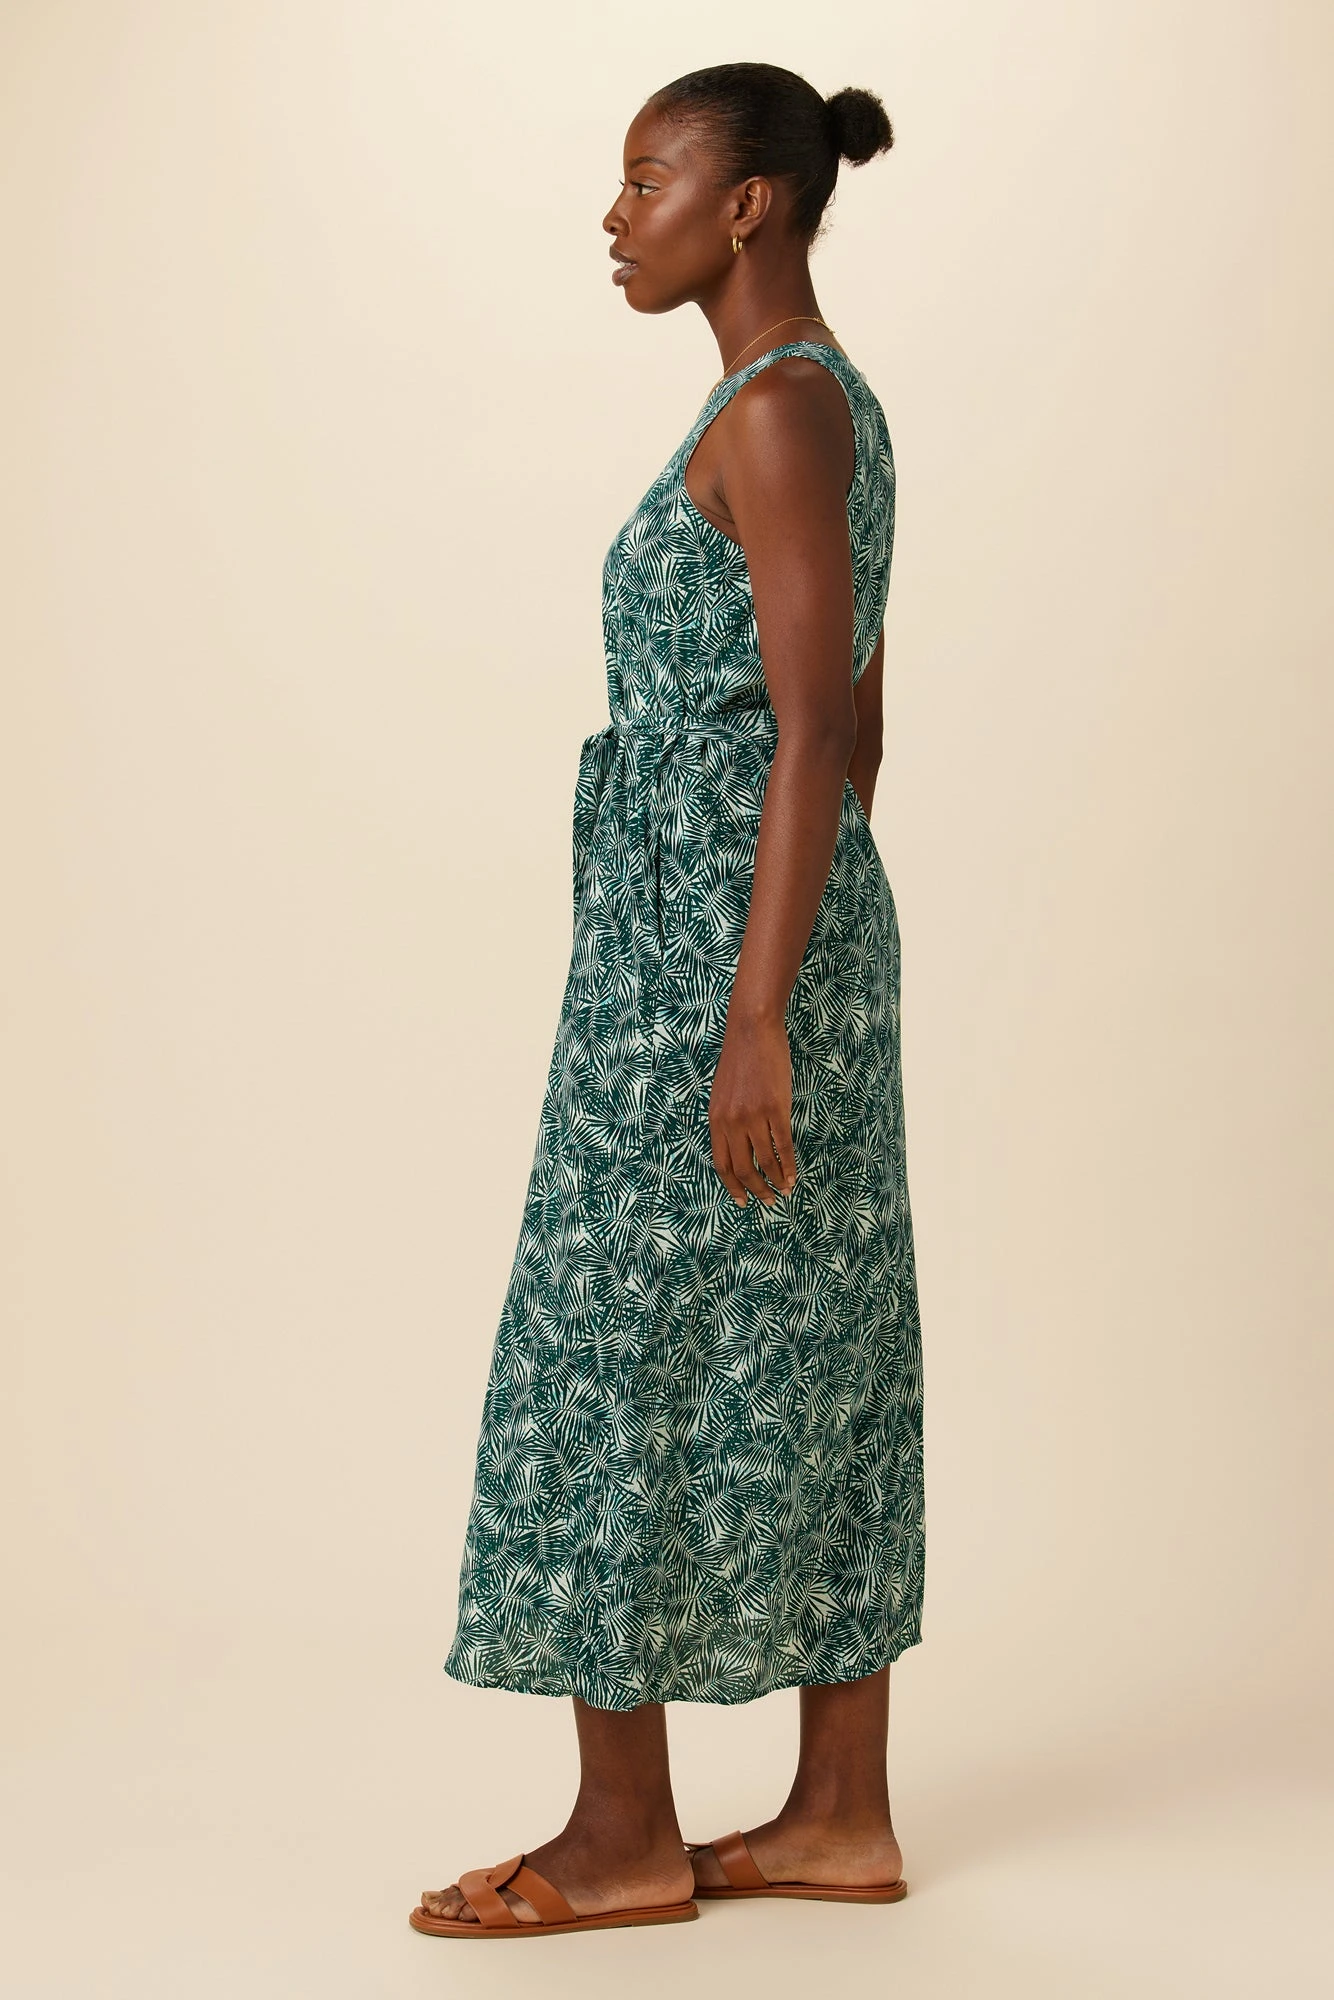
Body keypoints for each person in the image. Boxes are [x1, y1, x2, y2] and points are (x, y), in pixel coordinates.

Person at [411, 60, 925, 1941]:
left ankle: (622, 1837)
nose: (615, 217)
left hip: (712, 970)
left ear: (748, 204)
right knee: (811, 1345)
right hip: (749, 939)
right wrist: (800, 962)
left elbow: (814, 732)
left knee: (605, 1354)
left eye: (646, 180)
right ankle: (836, 1818)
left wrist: (754, 1007)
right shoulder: (807, 401)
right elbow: (857, 729)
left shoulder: (779, 408)